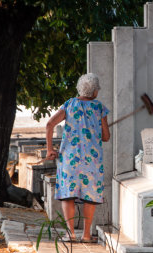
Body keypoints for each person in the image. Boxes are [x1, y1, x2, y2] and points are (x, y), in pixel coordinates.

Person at [46, 73, 110, 242]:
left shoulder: (69, 104)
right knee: (90, 196)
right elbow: (106, 137)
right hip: (92, 159)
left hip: (69, 158)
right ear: (95, 91)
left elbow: (49, 124)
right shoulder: (99, 108)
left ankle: (71, 234)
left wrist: (49, 149)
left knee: (69, 194)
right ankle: (87, 235)